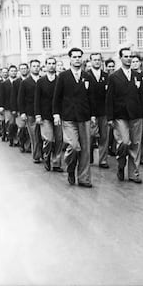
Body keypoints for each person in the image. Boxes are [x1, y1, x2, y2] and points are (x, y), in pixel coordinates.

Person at [53, 47, 95, 187]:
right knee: (74, 146)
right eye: (74, 57)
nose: (77, 59)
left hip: (84, 117)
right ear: (70, 59)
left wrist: (93, 115)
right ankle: (71, 168)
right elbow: (57, 97)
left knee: (85, 149)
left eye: (79, 57)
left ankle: (84, 178)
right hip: (69, 117)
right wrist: (56, 114)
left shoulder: (87, 76)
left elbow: (91, 98)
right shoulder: (63, 76)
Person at [106, 47, 143, 183]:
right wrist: (110, 117)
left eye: (130, 56)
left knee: (135, 144)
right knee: (124, 142)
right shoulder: (114, 77)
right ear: (121, 58)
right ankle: (121, 163)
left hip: (136, 115)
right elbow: (109, 98)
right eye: (126, 56)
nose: (128, 58)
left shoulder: (138, 76)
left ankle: (134, 173)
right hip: (120, 116)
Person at [35, 57, 64, 172]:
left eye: (53, 64)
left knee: (59, 139)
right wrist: (38, 114)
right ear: (46, 66)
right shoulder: (41, 81)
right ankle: (47, 157)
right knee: (48, 139)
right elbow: (37, 99)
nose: (51, 66)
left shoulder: (60, 80)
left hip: (58, 114)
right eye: (49, 64)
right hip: (45, 114)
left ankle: (56, 163)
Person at [87, 52, 110, 168]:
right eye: (94, 59)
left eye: (98, 60)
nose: (97, 61)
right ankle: (88, 154)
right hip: (90, 111)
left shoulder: (106, 76)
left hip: (104, 111)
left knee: (104, 136)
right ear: (90, 61)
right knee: (90, 135)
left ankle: (103, 160)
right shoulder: (86, 76)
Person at [18, 60, 43, 163]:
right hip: (30, 112)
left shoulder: (43, 80)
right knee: (34, 135)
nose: (36, 68)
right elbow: (21, 98)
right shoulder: (25, 82)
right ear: (30, 68)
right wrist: (22, 112)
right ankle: (36, 156)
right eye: (34, 66)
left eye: (38, 66)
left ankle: (44, 153)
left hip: (43, 111)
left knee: (43, 135)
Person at [0, 65, 19, 146]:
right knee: (10, 123)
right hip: (8, 107)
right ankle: (11, 138)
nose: (13, 72)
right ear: (9, 72)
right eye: (11, 71)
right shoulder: (4, 83)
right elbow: (1, 95)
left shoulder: (19, 82)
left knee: (17, 124)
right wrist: (1, 106)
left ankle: (16, 139)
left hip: (17, 107)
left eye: (14, 71)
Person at [13, 63, 31, 152]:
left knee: (28, 129)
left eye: (25, 68)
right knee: (21, 127)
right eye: (22, 69)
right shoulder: (16, 82)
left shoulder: (31, 80)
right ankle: (21, 143)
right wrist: (15, 109)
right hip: (20, 108)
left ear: (28, 69)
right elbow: (14, 96)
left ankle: (27, 146)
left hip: (29, 108)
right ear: (19, 71)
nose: (23, 70)